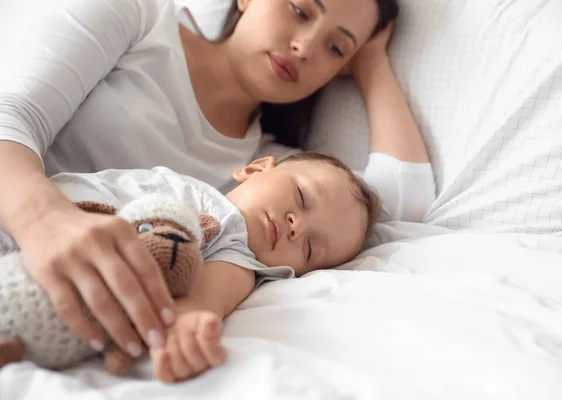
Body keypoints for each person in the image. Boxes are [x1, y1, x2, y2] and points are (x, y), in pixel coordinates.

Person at [0, 0, 435, 374]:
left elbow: (399, 199)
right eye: (300, 9)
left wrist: (372, 64)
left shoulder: (270, 173)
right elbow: (12, 114)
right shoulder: (140, 17)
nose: (304, 48)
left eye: (335, 47)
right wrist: (44, 220)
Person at [1, 150, 380, 381]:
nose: (299, 226)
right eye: (301, 196)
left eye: (312, 248)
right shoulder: (195, 196)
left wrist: (191, 317)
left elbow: (212, 293)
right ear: (255, 168)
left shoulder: (239, 254)